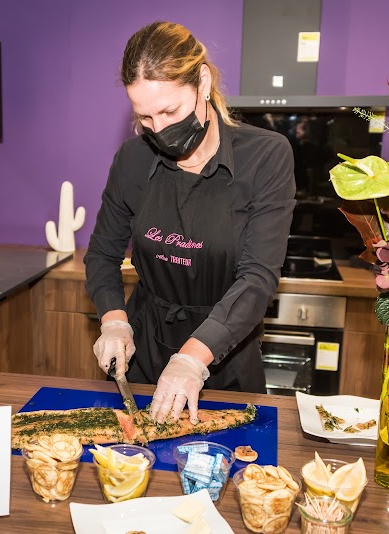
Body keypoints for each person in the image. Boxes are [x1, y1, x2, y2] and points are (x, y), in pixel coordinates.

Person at [84, 21, 294, 425]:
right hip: (144, 353)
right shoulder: (132, 159)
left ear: (203, 80)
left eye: (169, 111)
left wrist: (193, 360)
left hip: (224, 356)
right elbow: (102, 255)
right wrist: (113, 320)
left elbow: (257, 278)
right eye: (145, 117)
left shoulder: (266, 156)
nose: (159, 130)